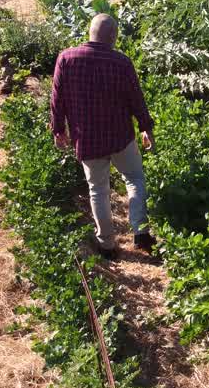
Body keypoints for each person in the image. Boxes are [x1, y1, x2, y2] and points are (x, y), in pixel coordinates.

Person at [50, 14, 155, 259]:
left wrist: (58, 129)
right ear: (113, 36)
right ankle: (140, 231)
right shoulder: (121, 62)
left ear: (90, 32)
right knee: (134, 179)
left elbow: (57, 99)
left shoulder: (66, 58)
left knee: (98, 189)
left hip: (87, 138)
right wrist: (145, 127)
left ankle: (107, 244)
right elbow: (135, 98)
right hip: (120, 137)